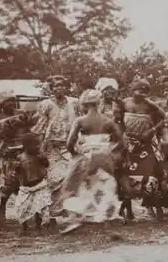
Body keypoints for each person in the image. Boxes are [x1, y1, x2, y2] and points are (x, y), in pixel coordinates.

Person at [59, 89, 125, 234]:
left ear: (84, 104)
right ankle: (107, 223)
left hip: (86, 157)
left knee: (78, 186)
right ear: (99, 103)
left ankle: (75, 218)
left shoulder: (80, 121)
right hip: (104, 157)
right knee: (105, 186)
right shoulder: (108, 121)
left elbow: (69, 143)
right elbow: (121, 142)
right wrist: (109, 152)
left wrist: (76, 154)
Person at [31, 75, 81, 219]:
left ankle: (67, 210)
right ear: (51, 89)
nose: (59, 88)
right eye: (56, 86)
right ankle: (50, 214)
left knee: (71, 178)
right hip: (52, 147)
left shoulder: (74, 103)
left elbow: (79, 123)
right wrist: (40, 150)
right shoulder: (46, 104)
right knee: (53, 180)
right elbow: (40, 127)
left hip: (71, 146)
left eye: (62, 85)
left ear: (66, 87)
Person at [119, 78, 166, 220]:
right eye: (138, 90)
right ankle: (127, 210)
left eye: (145, 92)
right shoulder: (124, 103)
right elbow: (119, 121)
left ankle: (154, 206)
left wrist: (151, 130)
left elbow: (165, 119)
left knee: (150, 174)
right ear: (132, 91)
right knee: (126, 173)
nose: (141, 94)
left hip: (145, 144)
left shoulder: (150, 105)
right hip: (129, 144)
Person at [0, 90, 33, 221]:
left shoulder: (22, 115)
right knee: (10, 180)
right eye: (8, 101)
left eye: (13, 100)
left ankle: (25, 210)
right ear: (1, 103)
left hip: (23, 151)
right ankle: (2, 206)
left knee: (25, 180)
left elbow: (30, 131)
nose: (11, 103)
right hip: (7, 153)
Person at [13, 132, 52, 235]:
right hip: (26, 187)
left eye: (37, 145)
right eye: (34, 145)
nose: (36, 147)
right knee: (22, 207)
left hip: (39, 185)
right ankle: (24, 227)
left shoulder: (39, 156)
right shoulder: (20, 157)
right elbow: (16, 173)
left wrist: (43, 159)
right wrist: (16, 167)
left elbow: (47, 165)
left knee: (39, 207)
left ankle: (39, 226)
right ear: (25, 146)